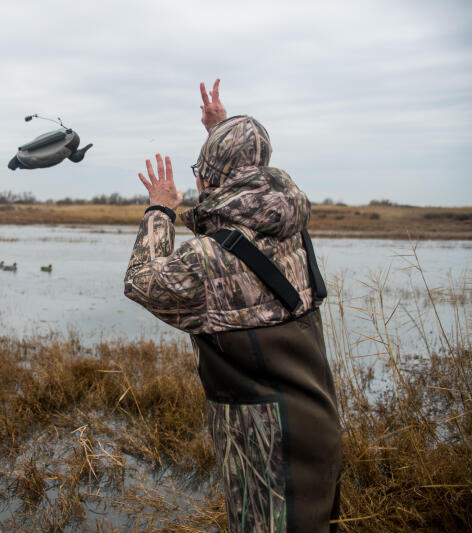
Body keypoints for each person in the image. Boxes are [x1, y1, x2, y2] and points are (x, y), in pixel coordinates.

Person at [124, 79, 341, 532]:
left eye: (201, 171)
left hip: (267, 447)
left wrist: (159, 211)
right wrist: (220, 133)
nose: (199, 178)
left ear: (210, 177)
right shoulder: (293, 233)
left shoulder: (208, 259)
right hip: (317, 423)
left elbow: (143, 282)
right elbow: (244, 194)